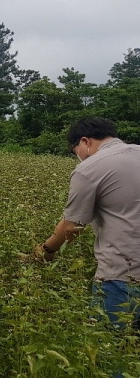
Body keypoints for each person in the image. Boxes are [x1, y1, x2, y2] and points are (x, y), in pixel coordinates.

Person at [32, 117, 140, 330]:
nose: (78, 158)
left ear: (85, 142)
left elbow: (73, 227)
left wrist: (47, 250)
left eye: (75, 152)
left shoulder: (90, 168)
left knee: (109, 351)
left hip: (123, 277)